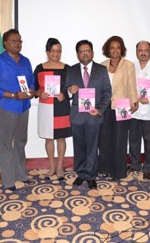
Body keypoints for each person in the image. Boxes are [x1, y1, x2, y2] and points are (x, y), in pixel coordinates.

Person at [0, 29, 35, 191]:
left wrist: (31, 91)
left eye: (19, 41)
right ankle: (8, 180)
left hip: (24, 106)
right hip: (7, 106)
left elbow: (32, 82)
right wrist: (13, 95)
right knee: (7, 143)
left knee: (21, 141)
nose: (17, 43)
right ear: (5, 43)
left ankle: (21, 174)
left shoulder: (26, 61)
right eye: (13, 40)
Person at [65, 40, 112, 189]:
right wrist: (69, 91)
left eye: (87, 51)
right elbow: (65, 90)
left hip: (93, 115)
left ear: (92, 52)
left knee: (92, 147)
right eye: (81, 51)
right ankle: (81, 174)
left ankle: (91, 175)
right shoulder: (71, 70)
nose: (85, 54)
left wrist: (100, 109)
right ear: (77, 54)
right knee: (79, 147)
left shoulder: (101, 70)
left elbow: (107, 92)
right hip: (77, 116)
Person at [98, 36, 138, 180]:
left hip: (122, 106)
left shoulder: (128, 65)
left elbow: (132, 85)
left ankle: (118, 172)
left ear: (122, 49)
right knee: (104, 139)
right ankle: (105, 168)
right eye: (112, 47)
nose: (115, 50)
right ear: (108, 50)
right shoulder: (102, 65)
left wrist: (135, 102)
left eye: (118, 47)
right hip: (105, 107)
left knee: (120, 140)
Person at [33, 38, 72, 181]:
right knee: (49, 138)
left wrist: (65, 94)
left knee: (60, 138)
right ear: (47, 51)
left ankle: (60, 166)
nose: (56, 53)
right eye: (53, 50)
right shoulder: (40, 68)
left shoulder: (67, 68)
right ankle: (51, 166)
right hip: (45, 106)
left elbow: (70, 88)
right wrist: (39, 93)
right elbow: (34, 89)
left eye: (59, 50)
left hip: (61, 107)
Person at [128, 41, 150, 180]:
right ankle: (135, 164)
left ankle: (148, 167)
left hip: (149, 111)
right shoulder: (132, 66)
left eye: (146, 50)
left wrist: (148, 100)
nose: (143, 53)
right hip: (134, 110)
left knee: (149, 141)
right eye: (140, 50)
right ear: (136, 51)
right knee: (134, 140)